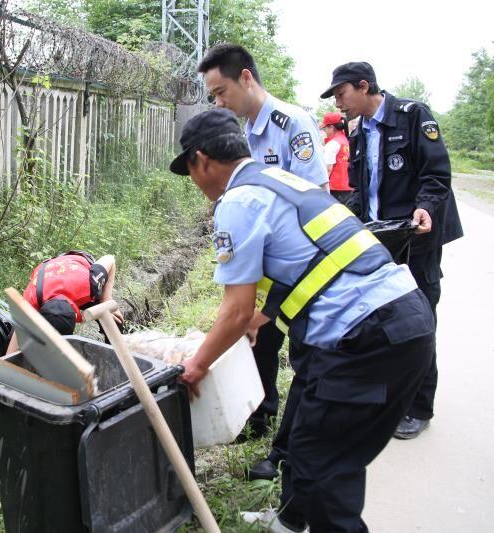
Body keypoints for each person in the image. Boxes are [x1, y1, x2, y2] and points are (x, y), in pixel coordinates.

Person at [170, 107, 434, 532]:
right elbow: (314, 256)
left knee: (325, 466)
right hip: (403, 318)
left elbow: (234, 310)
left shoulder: (236, 202)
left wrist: (196, 366)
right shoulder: (283, 180)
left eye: (191, 171)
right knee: (306, 431)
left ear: (201, 159)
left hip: (363, 336)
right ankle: (290, 522)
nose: (196, 183)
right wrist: (266, 315)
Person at [197, 43, 329, 481]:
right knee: (258, 340)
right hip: (272, 264)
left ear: (246, 78)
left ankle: (287, 455)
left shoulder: (293, 123)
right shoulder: (245, 133)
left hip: (305, 266)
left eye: (220, 92)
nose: (219, 103)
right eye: (213, 97)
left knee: (301, 354)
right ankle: (259, 414)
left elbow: (312, 204)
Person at [321, 62, 463, 439]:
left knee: (419, 319)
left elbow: (437, 174)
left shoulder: (413, 116)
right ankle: (386, 398)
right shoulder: (359, 131)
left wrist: (426, 207)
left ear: (364, 86)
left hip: (417, 237)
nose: (339, 102)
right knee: (384, 319)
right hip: (381, 242)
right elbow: (361, 189)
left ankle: (418, 407)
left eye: (341, 94)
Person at [6, 251, 123, 352]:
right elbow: (13, 346)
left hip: (77, 267)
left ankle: (115, 356)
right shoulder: (30, 301)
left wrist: (105, 301)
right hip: (50, 272)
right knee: (14, 334)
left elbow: (110, 258)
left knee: (114, 318)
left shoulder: (91, 282)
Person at [320, 112, 353, 205]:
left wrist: (321, 189)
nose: (324, 131)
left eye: (325, 128)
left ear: (331, 127)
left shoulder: (333, 143)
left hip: (335, 189)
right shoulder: (346, 140)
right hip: (348, 187)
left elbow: (328, 168)